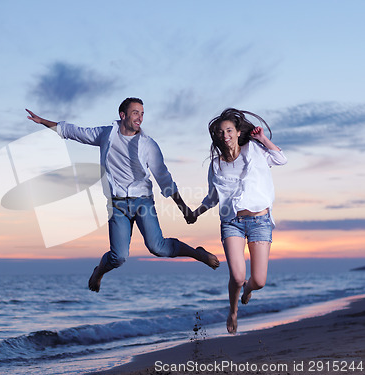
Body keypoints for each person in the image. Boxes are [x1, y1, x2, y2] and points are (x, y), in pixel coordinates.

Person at [26, 98, 220, 292]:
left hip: (143, 201)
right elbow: (74, 132)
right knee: (118, 257)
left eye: (142, 113)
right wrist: (43, 121)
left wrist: (184, 209)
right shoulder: (106, 134)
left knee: (158, 247)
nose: (140, 118)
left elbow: (164, 178)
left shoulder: (148, 145)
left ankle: (197, 254)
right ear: (123, 115)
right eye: (136, 112)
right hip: (117, 204)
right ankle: (98, 272)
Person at [191, 108, 287, 334]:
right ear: (216, 136)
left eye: (229, 130)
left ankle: (247, 292)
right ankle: (233, 310)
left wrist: (262, 138)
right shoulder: (216, 164)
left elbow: (281, 159)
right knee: (237, 275)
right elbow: (213, 197)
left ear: (237, 131)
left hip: (260, 221)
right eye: (220, 132)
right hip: (232, 221)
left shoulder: (254, 149)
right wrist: (196, 212)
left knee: (259, 281)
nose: (225, 135)